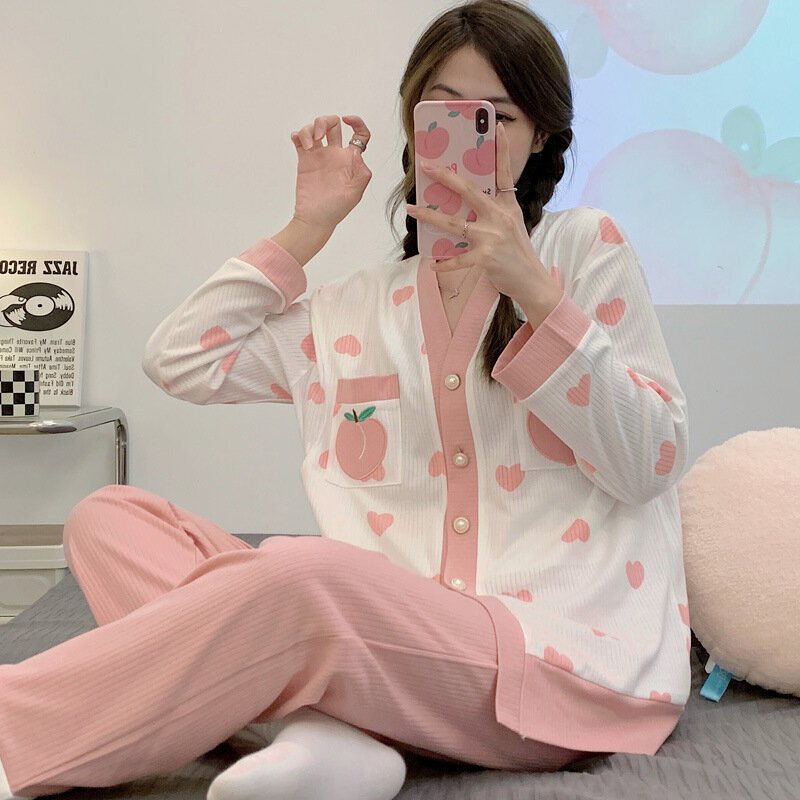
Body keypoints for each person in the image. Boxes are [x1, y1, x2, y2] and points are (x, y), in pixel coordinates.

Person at [0, 1, 691, 798]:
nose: (471, 136)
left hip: (549, 661)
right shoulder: (358, 307)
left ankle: (18, 734)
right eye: (443, 113)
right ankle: (332, 735)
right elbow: (181, 358)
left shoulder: (582, 249)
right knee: (109, 519)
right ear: (412, 125)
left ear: (540, 134)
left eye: (497, 117)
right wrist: (307, 227)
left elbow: (649, 463)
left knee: (301, 574)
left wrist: (535, 293)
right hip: (383, 649)